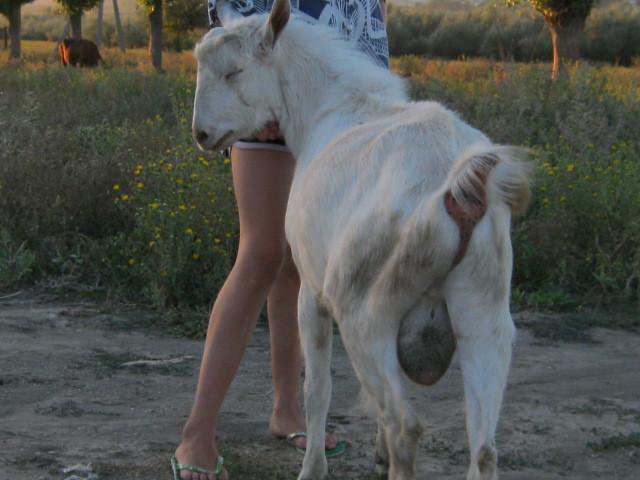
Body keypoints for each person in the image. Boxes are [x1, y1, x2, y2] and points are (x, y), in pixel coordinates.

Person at [172, 1, 389, 479]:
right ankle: (197, 435)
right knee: (262, 254)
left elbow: (368, 34)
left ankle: (288, 410)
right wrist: (260, 85)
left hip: (331, 115)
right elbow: (229, 17)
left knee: (300, 262)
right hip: (258, 100)